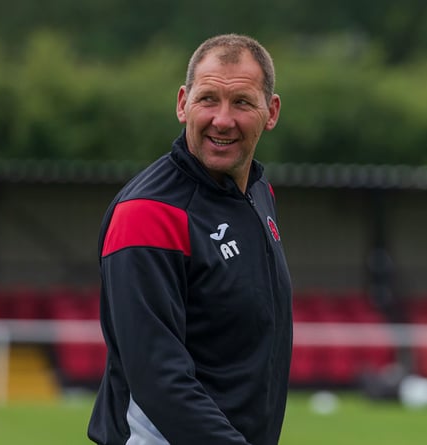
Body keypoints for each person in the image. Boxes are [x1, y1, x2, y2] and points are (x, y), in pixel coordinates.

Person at [87, 34, 293, 445]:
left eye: (242, 103)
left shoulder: (258, 193)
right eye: (208, 99)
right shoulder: (147, 212)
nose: (222, 119)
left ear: (270, 112)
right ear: (183, 103)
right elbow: (157, 377)